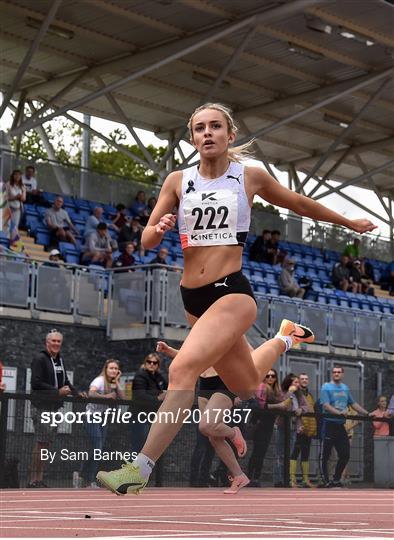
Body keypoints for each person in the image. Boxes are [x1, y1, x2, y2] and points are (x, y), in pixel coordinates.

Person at [96, 102, 375, 496]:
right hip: (192, 297)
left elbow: (297, 202)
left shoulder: (248, 177)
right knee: (244, 384)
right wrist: (158, 228)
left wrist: (347, 222)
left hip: (231, 292)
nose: (206, 133)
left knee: (183, 371)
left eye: (214, 127)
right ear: (192, 137)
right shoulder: (178, 181)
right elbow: (145, 239)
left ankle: (138, 469)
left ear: (230, 135)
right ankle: (285, 339)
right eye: (198, 128)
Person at [157, 341, 249, 494]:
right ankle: (239, 476)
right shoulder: (203, 335)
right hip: (205, 385)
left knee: (205, 425)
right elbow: (188, 358)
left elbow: (249, 359)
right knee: (213, 436)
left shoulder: (229, 331)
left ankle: (233, 433)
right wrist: (169, 350)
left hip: (223, 385)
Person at [29, 330, 81, 488]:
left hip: (54, 408)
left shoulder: (60, 360)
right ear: (47, 342)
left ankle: (40, 478)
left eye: (59, 341)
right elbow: (35, 383)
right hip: (42, 406)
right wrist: (56, 392)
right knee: (41, 443)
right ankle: (33, 480)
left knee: (47, 444)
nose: (56, 344)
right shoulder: (40, 358)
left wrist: (77, 393)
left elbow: (65, 380)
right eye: (54, 341)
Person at [320, 366, 369, 488]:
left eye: (338, 372)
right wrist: (339, 413)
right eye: (334, 372)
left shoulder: (345, 388)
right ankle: (326, 481)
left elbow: (353, 404)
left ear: (342, 374)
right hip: (329, 424)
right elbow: (325, 405)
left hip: (340, 426)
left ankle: (336, 479)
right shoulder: (326, 387)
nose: (336, 374)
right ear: (332, 374)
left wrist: (367, 413)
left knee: (345, 454)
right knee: (325, 455)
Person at [79, 359, 125, 488]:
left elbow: (124, 397)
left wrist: (117, 381)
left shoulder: (114, 383)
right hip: (92, 416)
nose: (114, 371)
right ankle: (89, 479)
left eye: (116, 369)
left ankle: (83, 475)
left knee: (97, 448)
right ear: (105, 369)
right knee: (97, 447)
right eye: (111, 368)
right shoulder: (99, 380)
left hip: (103, 418)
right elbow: (91, 393)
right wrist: (106, 397)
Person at [247, 368, 285, 487]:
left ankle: (256, 477)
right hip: (260, 423)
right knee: (257, 451)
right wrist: (278, 405)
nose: (270, 378)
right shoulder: (261, 387)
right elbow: (261, 406)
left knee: (262, 452)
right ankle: (250, 477)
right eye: (267, 376)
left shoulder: (277, 391)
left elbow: (284, 404)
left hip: (268, 424)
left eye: (272, 376)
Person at [270, 373, 309, 487]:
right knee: (279, 453)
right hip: (282, 426)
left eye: (298, 382)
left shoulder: (299, 394)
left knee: (289, 453)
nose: (298, 385)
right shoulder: (282, 392)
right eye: (295, 382)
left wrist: (301, 409)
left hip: (293, 428)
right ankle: (278, 479)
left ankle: (286, 478)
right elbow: (283, 404)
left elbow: (306, 406)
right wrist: (289, 392)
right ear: (289, 383)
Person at [129, 353, 168, 455]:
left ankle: (146, 470)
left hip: (152, 416)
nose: (151, 364)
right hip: (139, 416)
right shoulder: (140, 376)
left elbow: (168, 388)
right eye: (149, 362)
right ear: (145, 363)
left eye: (154, 362)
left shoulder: (158, 376)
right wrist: (158, 398)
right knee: (139, 445)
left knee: (151, 446)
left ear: (158, 365)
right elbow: (140, 396)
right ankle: (132, 469)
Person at [290, 373, 317, 488]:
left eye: (306, 379)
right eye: (302, 379)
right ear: (298, 381)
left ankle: (305, 479)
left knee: (306, 453)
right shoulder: (295, 393)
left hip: (309, 428)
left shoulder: (310, 395)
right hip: (298, 427)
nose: (304, 381)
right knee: (295, 452)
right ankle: (292, 479)